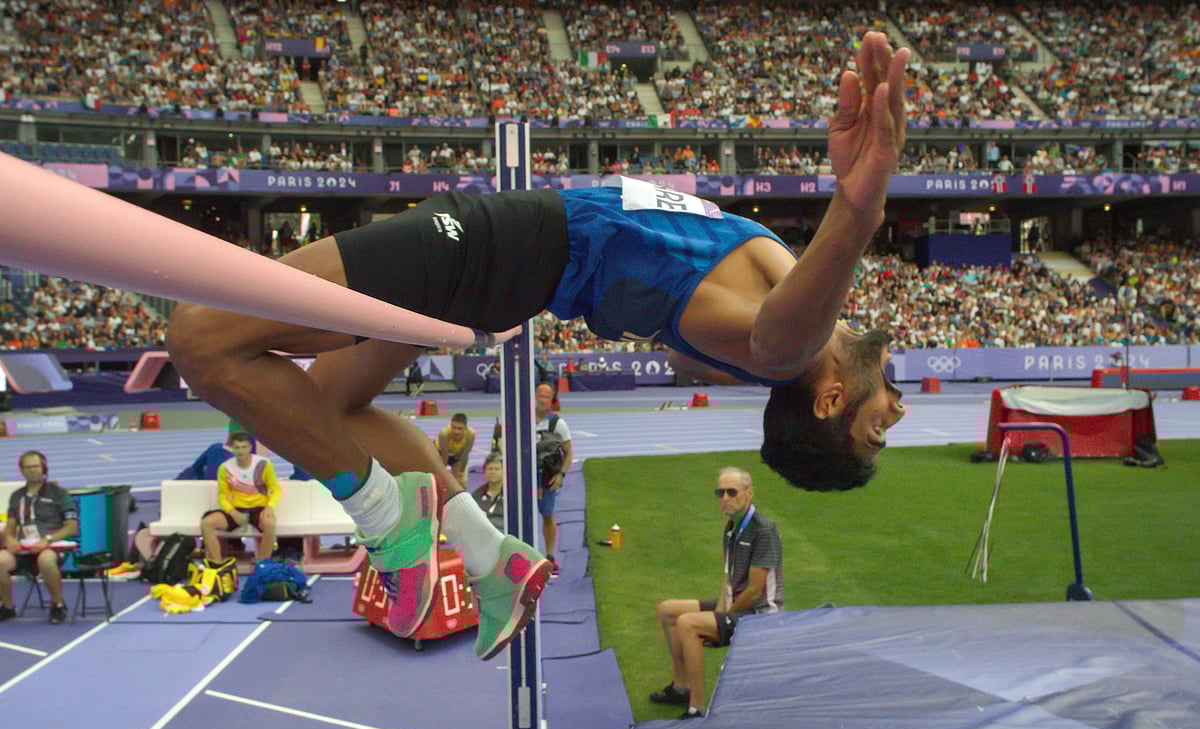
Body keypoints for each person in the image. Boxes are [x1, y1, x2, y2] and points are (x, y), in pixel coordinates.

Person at [164, 32, 908, 661]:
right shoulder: (762, 324)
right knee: (326, 407)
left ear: (831, 398)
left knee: (201, 338)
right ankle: (491, 557)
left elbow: (784, 338)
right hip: (512, 269)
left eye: (876, 428)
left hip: (504, 247)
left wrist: (860, 203)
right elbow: (706, 346)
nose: (897, 409)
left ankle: (390, 532)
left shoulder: (779, 348)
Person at [649, 468, 783, 718]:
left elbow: (755, 591)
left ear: (749, 493)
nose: (725, 498)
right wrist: (722, 608)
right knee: (667, 610)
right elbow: (728, 580)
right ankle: (680, 687)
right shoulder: (732, 528)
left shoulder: (763, 531)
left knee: (687, 623)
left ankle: (697, 706)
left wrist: (725, 612)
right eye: (720, 493)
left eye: (732, 492)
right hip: (736, 605)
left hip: (760, 614)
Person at [0, 451, 80, 623]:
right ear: (21, 470)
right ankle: (7, 607)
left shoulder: (59, 493)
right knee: (0, 559)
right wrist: (10, 540)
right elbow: (10, 528)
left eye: (35, 466)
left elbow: (72, 527)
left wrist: (47, 539)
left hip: (51, 547)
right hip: (24, 549)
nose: (32, 470)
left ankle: (57, 605)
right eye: (27, 467)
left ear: (43, 468)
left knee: (45, 559)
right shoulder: (16, 496)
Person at [199, 432, 281, 562]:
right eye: (237, 447)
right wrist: (232, 512)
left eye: (244, 447)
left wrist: (270, 507)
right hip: (237, 509)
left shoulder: (264, 465)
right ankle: (217, 564)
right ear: (232, 448)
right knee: (207, 523)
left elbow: (276, 490)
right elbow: (222, 496)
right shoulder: (225, 468)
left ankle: (262, 564)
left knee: (270, 524)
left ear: (250, 448)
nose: (240, 451)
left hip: (259, 508)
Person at [536, 381, 573, 575]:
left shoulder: (558, 424)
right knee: (518, 513)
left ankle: (549, 556)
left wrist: (561, 474)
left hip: (546, 476)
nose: (541, 400)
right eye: (539, 395)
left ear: (552, 401)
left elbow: (568, 452)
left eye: (546, 397)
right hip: (524, 475)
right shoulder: (522, 418)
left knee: (548, 515)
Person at [435, 412, 476, 487]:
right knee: (439, 480)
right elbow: (445, 456)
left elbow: (465, 455)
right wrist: (442, 473)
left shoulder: (470, 435)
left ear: (465, 428)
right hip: (440, 454)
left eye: (460, 428)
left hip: (457, 456)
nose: (456, 431)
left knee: (462, 482)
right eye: (453, 427)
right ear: (450, 426)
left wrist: (461, 472)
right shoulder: (444, 433)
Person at [471, 451, 506, 533]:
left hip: (505, 536)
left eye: (496, 469)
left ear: (503, 471)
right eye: (490, 469)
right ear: (484, 471)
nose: (493, 472)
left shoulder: (511, 495)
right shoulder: (477, 495)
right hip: (484, 535)